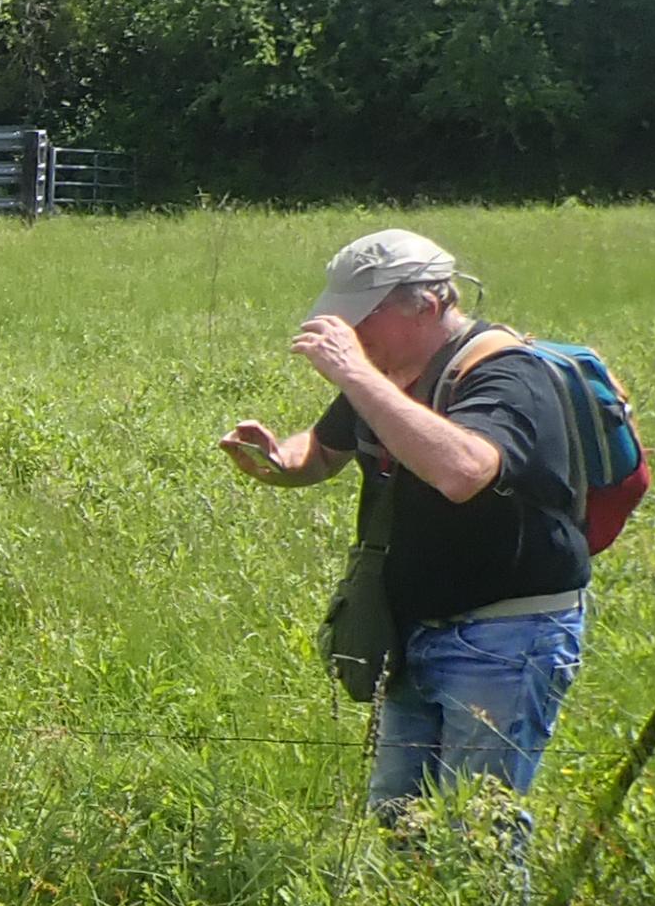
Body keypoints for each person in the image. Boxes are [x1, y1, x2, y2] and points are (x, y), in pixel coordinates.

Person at [220, 228, 591, 832]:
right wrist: (280, 461)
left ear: (427, 301)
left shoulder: (504, 373)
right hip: (415, 630)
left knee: (479, 836)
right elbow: (322, 450)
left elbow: (464, 471)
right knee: (399, 822)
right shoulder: (387, 376)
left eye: (363, 316)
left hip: (506, 635)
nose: (352, 335)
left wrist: (355, 376)